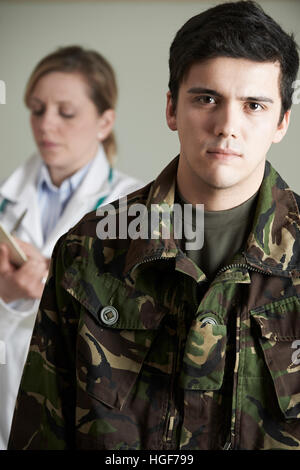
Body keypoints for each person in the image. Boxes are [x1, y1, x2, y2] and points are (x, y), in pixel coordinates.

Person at [8, 1, 300, 450]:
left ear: (282, 121)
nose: (227, 126)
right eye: (206, 98)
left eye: (254, 105)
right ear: (171, 109)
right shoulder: (87, 250)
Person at [0, 45, 142, 449]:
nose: (47, 125)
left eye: (66, 112)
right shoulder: (4, 205)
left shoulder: (135, 211)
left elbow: (135, 334)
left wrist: (61, 283)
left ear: (104, 121)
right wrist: (7, 299)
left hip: (86, 419)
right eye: (37, 109)